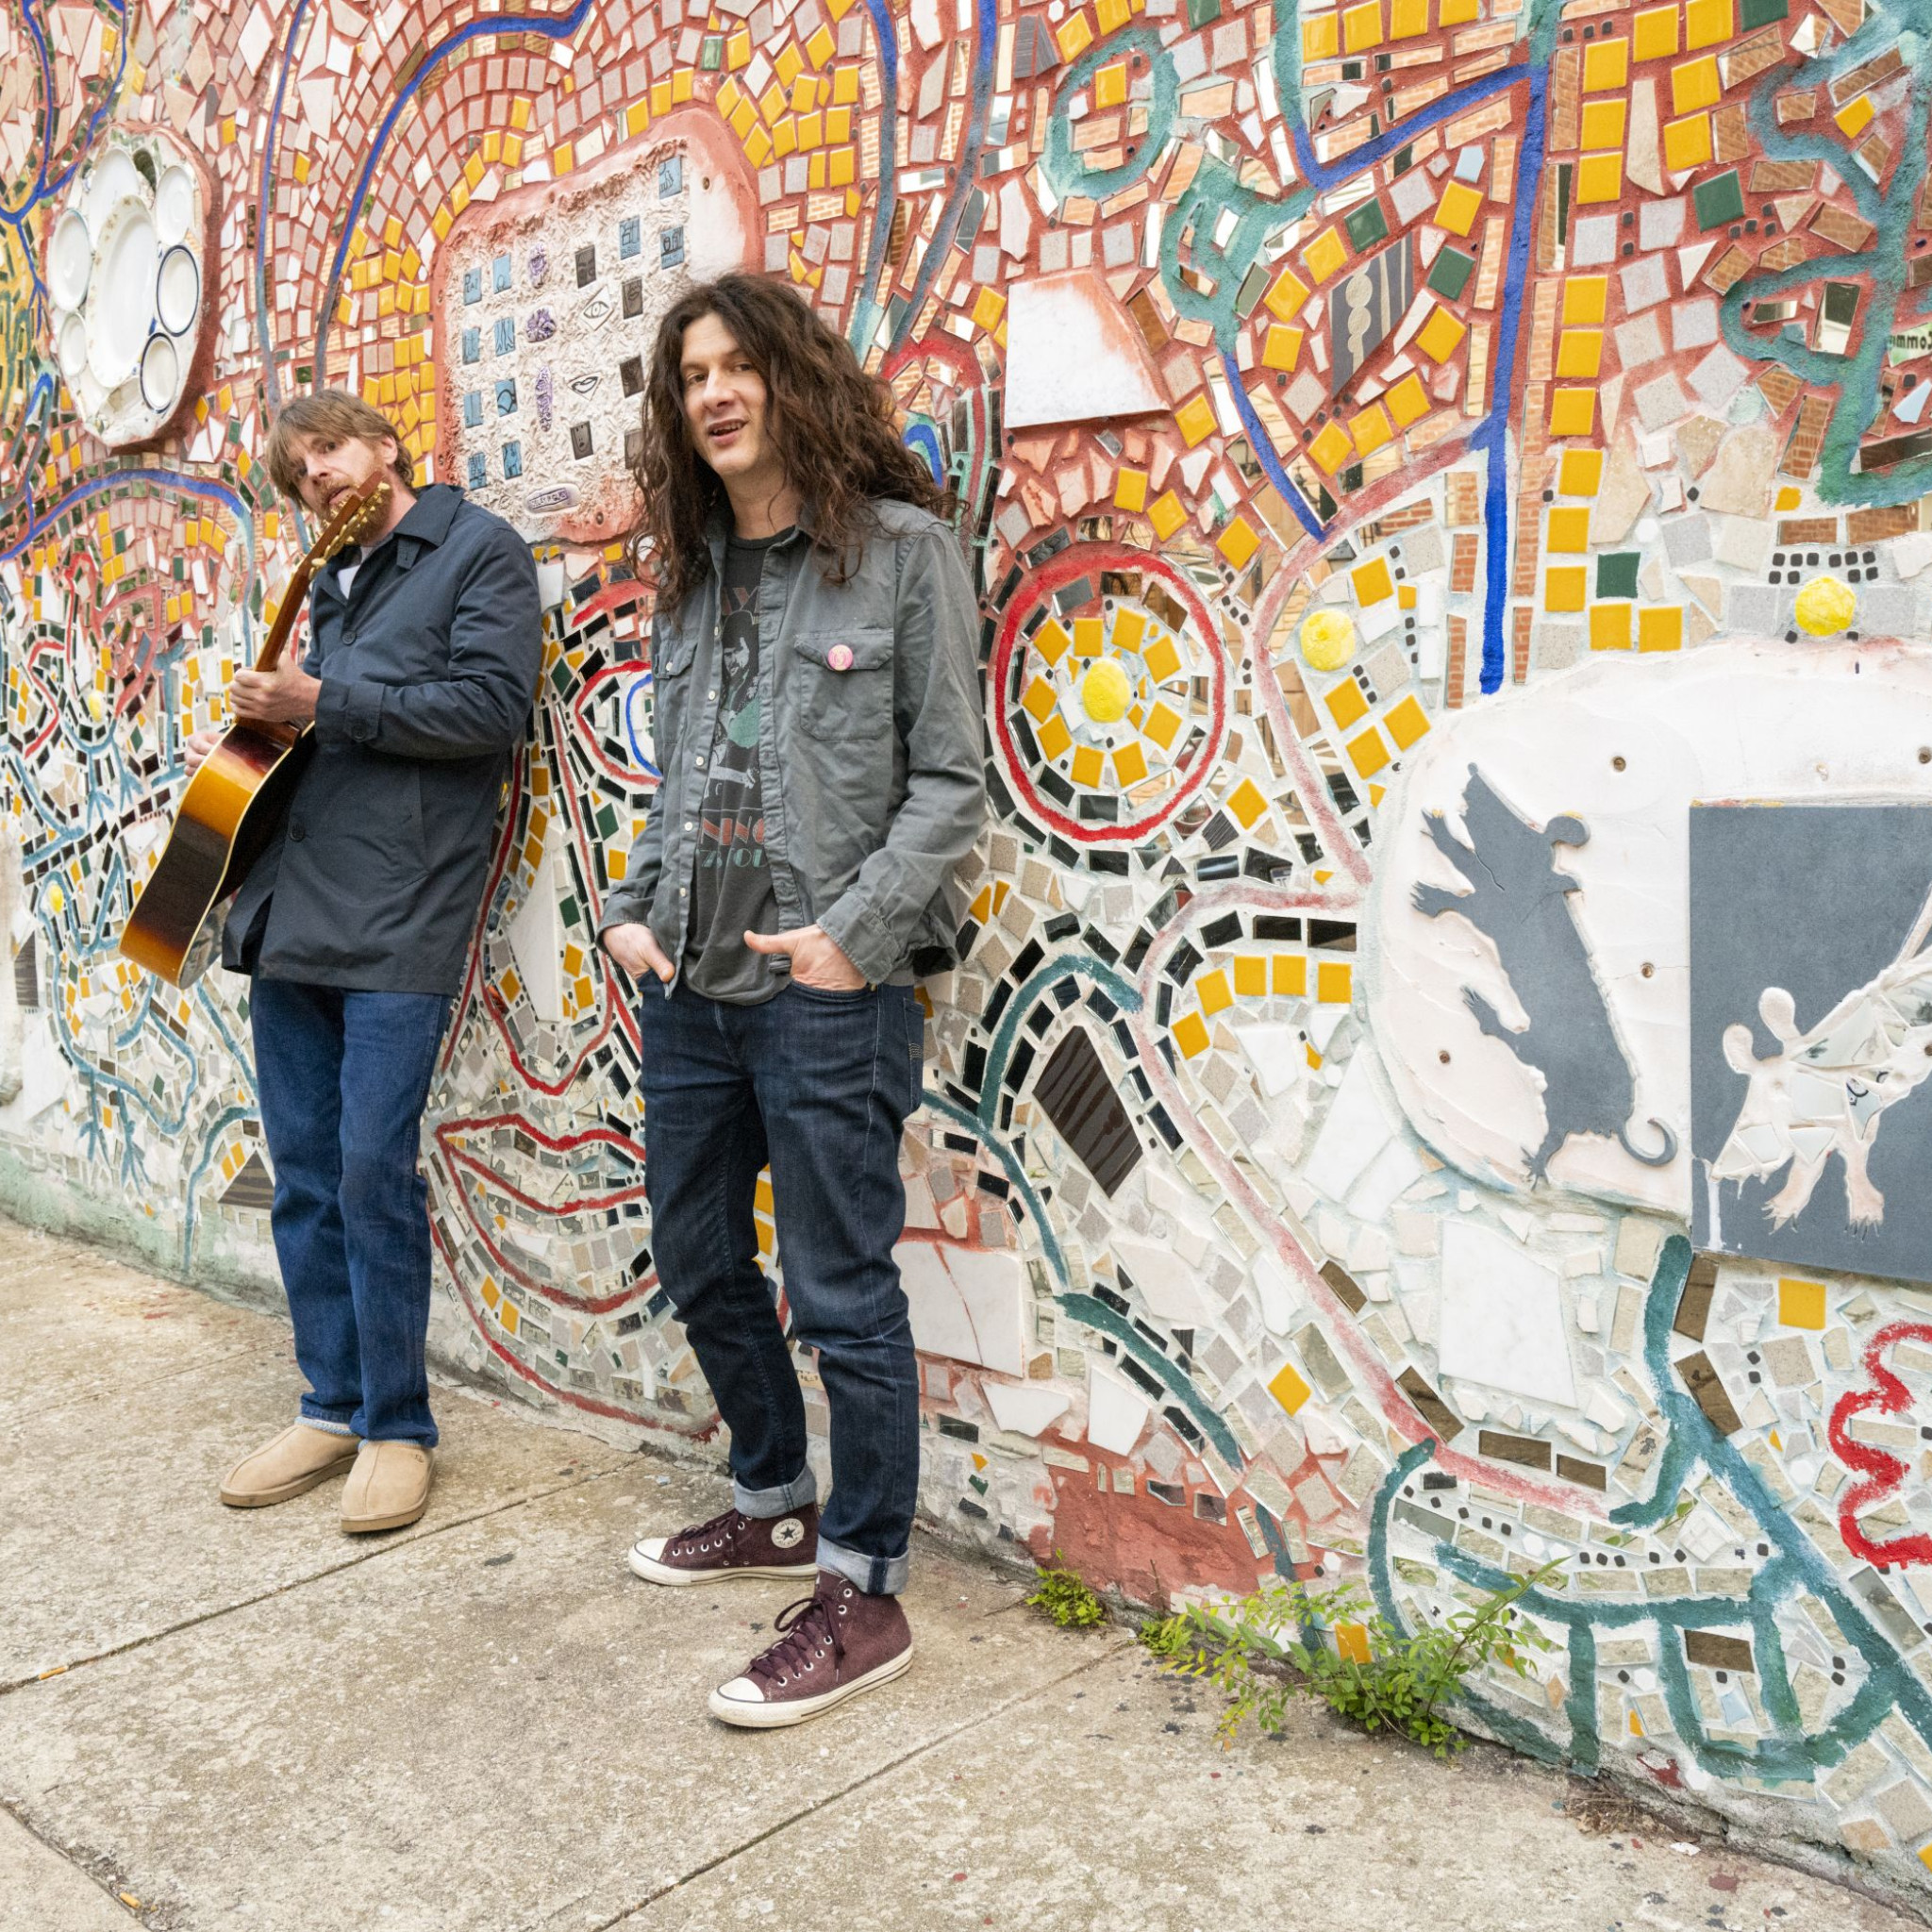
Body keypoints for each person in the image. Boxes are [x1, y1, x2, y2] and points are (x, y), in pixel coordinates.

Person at [600, 273, 985, 1727]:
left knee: (839, 1289)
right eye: (690, 374)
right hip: (695, 981)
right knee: (697, 1255)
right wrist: (635, 910)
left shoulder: (900, 555)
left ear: (791, 378)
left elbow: (951, 781)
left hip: (832, 987)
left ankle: (863, 1584)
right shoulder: (691, 578)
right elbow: (682, 776)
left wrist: (855, 935)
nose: (713, 392)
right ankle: (772, 1495)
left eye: (737, 364)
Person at [191, 392, 541, 1534]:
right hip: (293, 913)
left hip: (402, 915)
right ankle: (330, 1401)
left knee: (368, 1172)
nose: (318, 481)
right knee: (299, 1172)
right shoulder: (327, 583)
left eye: (326, 452)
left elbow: (491, 708)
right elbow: (336, 732)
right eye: (297, 476)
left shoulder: (476, 550)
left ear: (384, 444)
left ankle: (398, 1424)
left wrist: (324, 699)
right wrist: (272, 727)